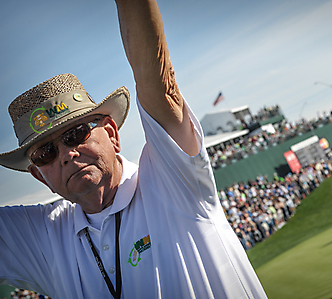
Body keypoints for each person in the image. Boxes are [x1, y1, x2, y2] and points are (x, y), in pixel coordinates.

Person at [0, 0, 267, 298]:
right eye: (46, 153)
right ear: (39, 176)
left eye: (76, 134)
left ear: (112, 133)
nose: (66, 154)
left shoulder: (170, 181)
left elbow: (161, 87)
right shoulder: (43, 236)